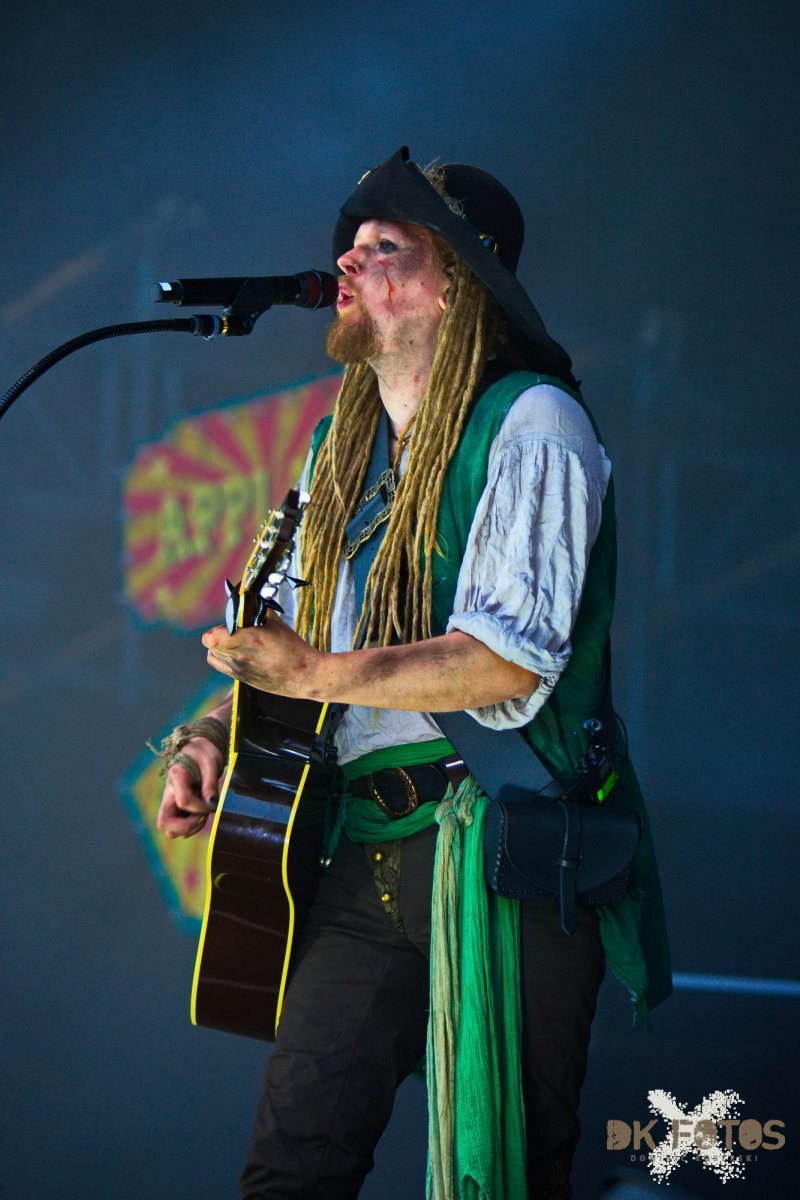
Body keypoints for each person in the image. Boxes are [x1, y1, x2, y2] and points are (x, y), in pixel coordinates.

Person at [156, 146, 671, 1200]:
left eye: (384, 247)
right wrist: (210, 732)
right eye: (348, 246)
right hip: (363, 855)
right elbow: (290, 651)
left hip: (504, 848)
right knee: (289, 1168)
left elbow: (504, 663)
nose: (347, 263)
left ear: (458, 285)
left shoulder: (533, 422)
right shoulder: (336, 452)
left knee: (506, 1171)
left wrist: (313, 671)